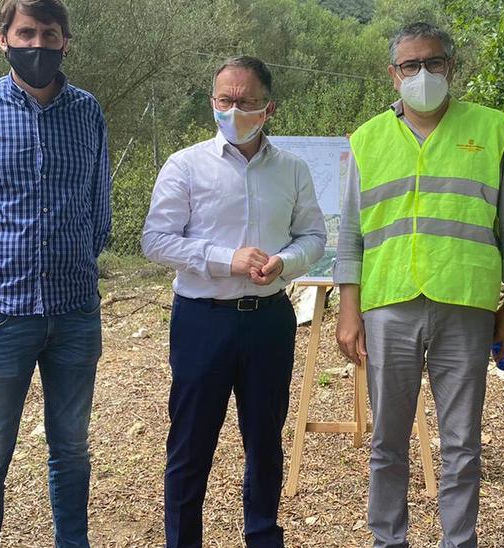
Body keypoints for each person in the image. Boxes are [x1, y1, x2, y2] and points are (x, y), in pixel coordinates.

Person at [334, 22, 504, 548]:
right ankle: (388, 540)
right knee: (387, 441)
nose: (422, 74)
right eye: (410, 65)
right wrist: (349, 309)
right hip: (388, 304)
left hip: (466, 303)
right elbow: (352, 234)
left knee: (462, 442)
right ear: (393, 74)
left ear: (451, 67)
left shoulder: (491, 130)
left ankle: (459, 540)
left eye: (434, 63)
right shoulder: (367, 140)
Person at [0, 0, 110, 546]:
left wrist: (73, 265)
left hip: (75, 313)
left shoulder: (87, 111)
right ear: (3, 38)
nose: (37, 44)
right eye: (26, 32)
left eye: (49, 34)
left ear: (65, 42)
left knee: (72, 449)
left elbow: (99, 210)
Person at [142, 56, 326, 548]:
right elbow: (156, 240)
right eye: (225, 100)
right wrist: (227, 259)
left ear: (269, 107)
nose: (235, 110)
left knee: (265, 442)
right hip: (203, 319)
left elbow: (313, 236)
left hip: (269, 320)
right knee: (190, 444)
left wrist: (285, 262)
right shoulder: (186, 164)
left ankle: (263, 536)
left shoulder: (291, 169)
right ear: (212, 102)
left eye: (246, 102)